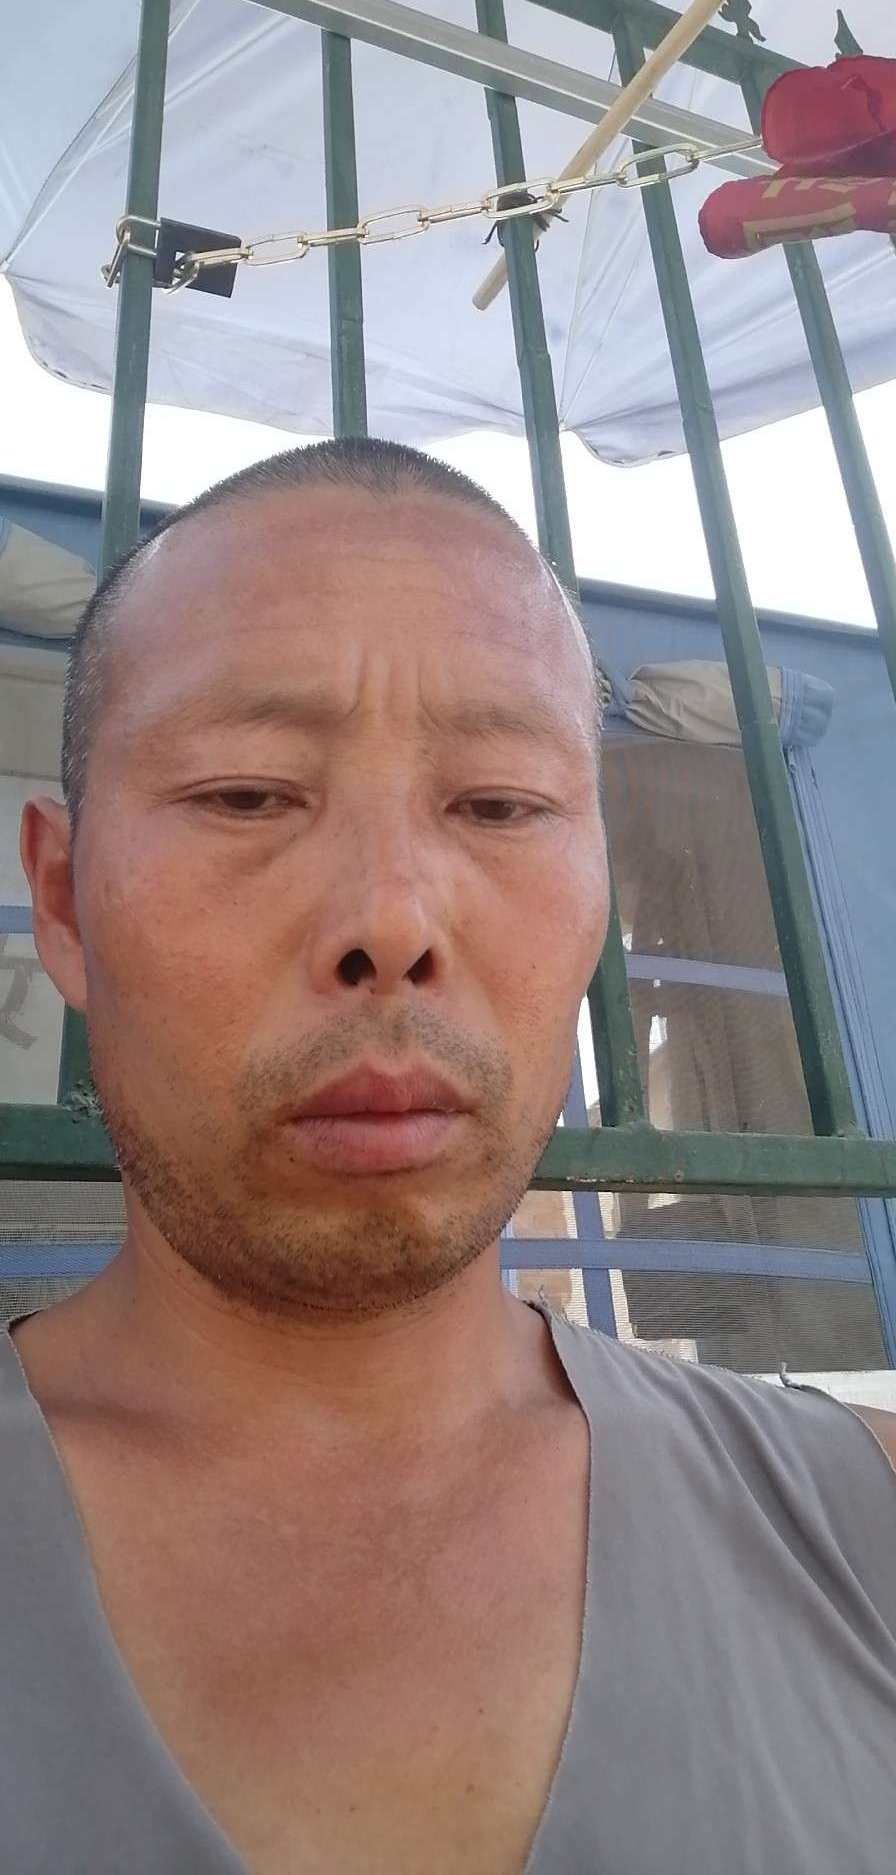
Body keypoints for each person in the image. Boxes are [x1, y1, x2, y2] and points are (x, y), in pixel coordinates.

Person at [3, 436, 894, 1875]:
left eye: (498, 805)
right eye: (246, 794)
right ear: (62, 902)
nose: (392, 920)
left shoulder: (860, 1527)